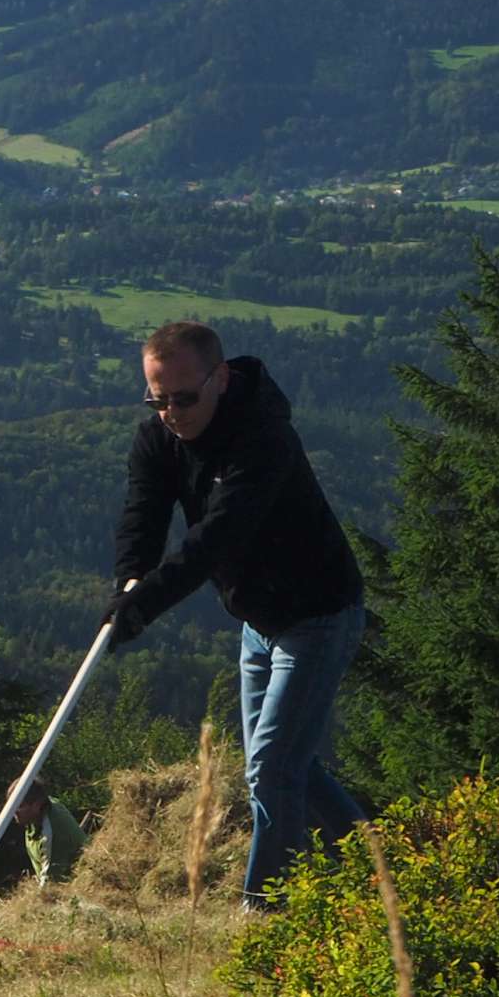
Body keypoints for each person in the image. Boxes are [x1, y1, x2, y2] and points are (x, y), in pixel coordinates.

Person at [100, 321, 367, 909]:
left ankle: (264, 908)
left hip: (318, 613)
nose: (171, 412)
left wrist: (143, 607)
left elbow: (214, 540)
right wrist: (127, 586)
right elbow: (142, 520)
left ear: (219, 379)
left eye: (184, 397)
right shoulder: (156, 440)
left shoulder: (262, 437)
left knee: (272, 768)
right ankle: (380, 870)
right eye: (157, 398)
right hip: (257, 620)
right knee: (283, 764)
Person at [10, 776, 87, 887]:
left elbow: (50, 885)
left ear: (37, 805)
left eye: (19, 806)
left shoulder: (51, 836)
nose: (13, 812)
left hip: (77, 886)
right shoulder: (37, 813)